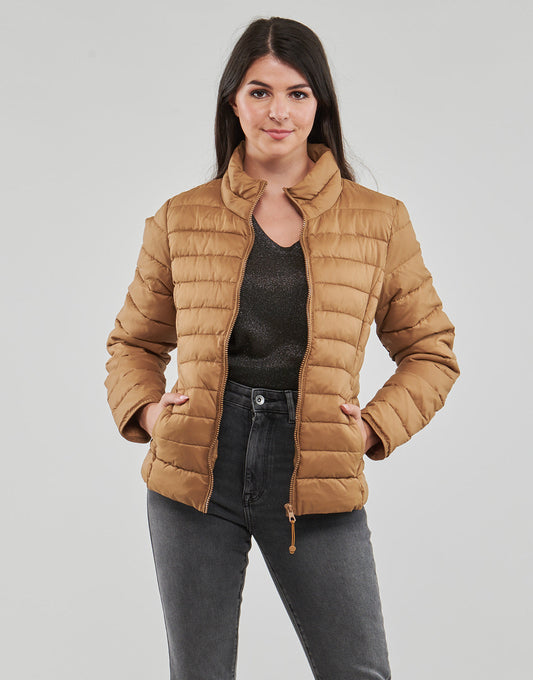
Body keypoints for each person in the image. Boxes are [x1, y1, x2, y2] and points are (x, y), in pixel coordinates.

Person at [104, 16, 460, 680]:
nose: (278, 112)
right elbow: (133, 343)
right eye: (260, 92)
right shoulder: (181, 217)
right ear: (232, 102)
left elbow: (430, 350)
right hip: (195, 470)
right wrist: (150, 414)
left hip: (316, 466)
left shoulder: (378, 220)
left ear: (319, 103)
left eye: (297, 93)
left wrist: (372, 429)